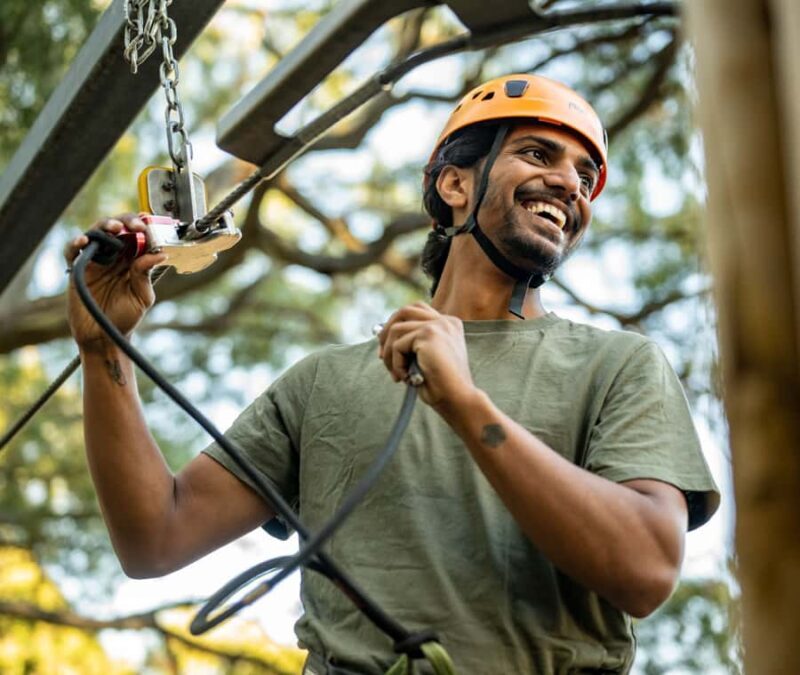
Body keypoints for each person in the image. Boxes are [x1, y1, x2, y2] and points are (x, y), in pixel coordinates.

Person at [65, 74, 720, 674]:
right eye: (538, 154)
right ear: (455, 185)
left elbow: (645, 569)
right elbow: (156, 537)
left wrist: (466, 404)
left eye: (585, 174)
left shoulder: (618, 365)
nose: (570, 184)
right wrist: (104, 350)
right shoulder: (324, 382)